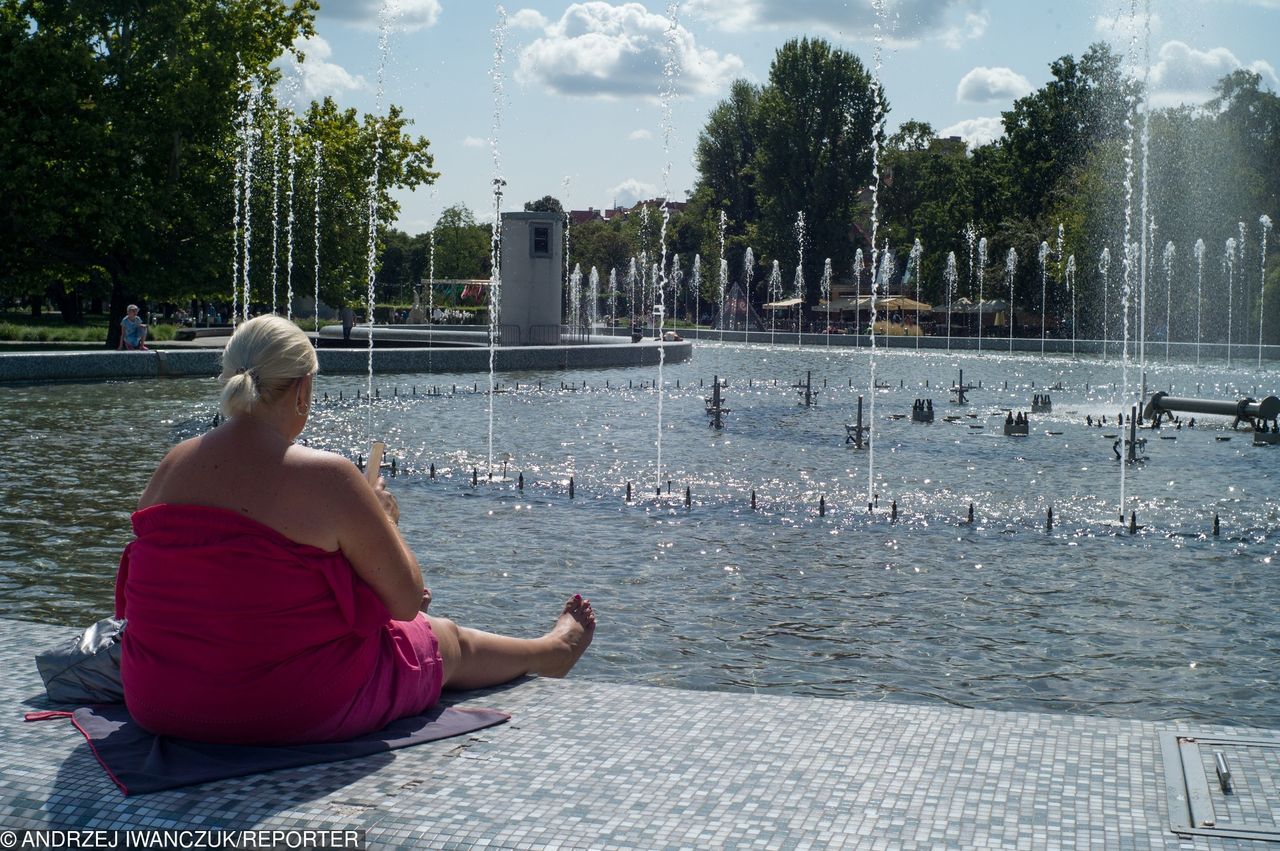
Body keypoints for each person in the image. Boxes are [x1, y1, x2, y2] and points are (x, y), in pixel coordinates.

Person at [114, 315, 594, 745]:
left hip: (158, 702)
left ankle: (546, 651)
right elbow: (407, 601)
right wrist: (384, 519)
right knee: (436, 639)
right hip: (283, 708)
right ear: (302, 389)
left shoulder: (171, 467)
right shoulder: (327, 476)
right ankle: (551, 652)